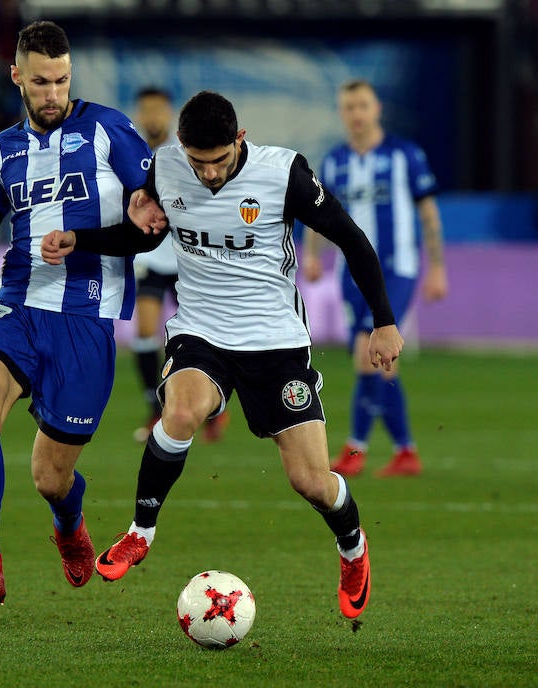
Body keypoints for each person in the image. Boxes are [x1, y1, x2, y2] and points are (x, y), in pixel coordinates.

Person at [41, 90, 404, 620]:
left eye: (217, 161)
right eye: (197, 162)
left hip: (277, 342)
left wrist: (384, 321)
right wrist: (82, 238)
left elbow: (352, 239)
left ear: (239, 140)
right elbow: (144, 239)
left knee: (310, 480)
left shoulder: (284, 174)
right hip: (201, 331)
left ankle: (352, 546)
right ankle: (141, 530)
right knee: (181, 411)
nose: (207, 174)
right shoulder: (166, 166)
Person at [0, 20, 152, 608]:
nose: (53, 93)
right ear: (17, 77)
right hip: (17, 304)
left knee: (49, 478)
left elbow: (149, 214)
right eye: (41, 82)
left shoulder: (110, 129)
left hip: (87, 318)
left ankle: (69, 523)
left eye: (61, 80)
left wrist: (131, 214)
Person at [301, 79, 448, 478]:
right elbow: (318, 214)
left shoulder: (405, 155)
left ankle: (355, 448)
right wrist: (312, 256)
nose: (357, 114)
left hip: (397, 268)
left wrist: (437, 267)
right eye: (349, 107)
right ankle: (405, 451)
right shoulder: (334, 162)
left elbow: (428, 213)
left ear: (377, 108)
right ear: (342, 113)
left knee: (369, 352)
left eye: (363, 105)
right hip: (351, 274)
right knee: (382, 362)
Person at [129, 86, 229, 443]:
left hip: (188, 260)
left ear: (168, 113)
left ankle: (213, 407)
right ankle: (155, 408)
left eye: (158, 109)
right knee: (143, 333)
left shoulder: (186, 150)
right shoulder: (133, 150)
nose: (152, 116)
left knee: (204, 336)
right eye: (146, 110)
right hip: (151, 259)